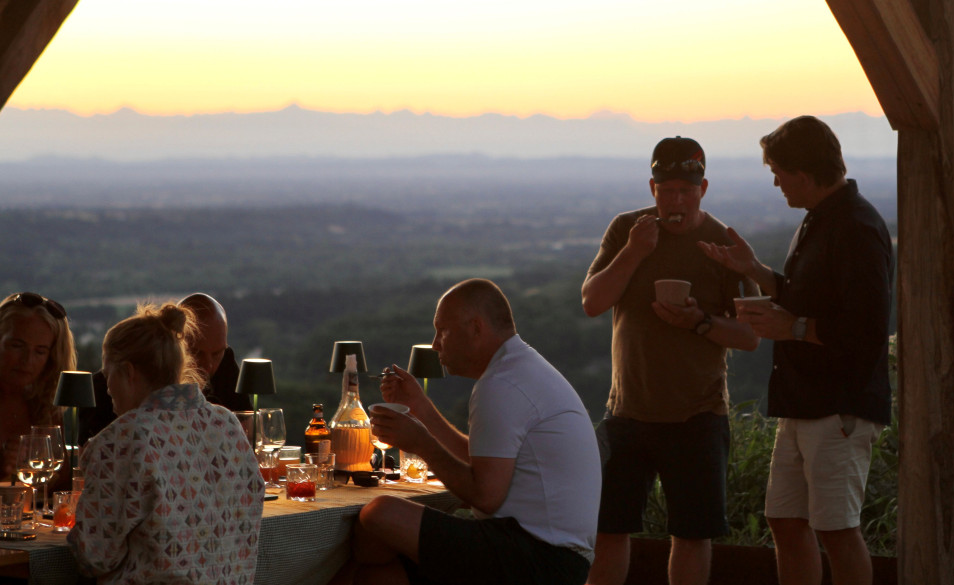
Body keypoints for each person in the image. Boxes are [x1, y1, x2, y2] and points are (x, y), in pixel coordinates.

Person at [699, 116, 893, 585]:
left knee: (837, 531)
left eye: (778, 173)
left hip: (838, 407)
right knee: (785, 521)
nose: (776, 183)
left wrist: (794, 328)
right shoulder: (820, 221)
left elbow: (866, 332)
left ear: (803, 175)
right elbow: (802, 296)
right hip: (803, 403)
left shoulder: (856, 227)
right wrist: (756, 271)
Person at [582, 137, 759, 585]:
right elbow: (592, 301)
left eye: (686, 189)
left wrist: (699, 322)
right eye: (667, 190)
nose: (676, 200)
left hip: (697, 415)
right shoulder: (627, 231)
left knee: (692, 536)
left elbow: (751, 335)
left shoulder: (721, 244)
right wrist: (635, 251)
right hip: (626, 413)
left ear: (703, 189)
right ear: (652, 187)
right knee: (608, 530)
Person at [348, 278, 601, 585]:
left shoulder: (502, 384)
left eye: (443, 330)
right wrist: (421, 410)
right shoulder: (518, 369)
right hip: (552, 557)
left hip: (538, 559)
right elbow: (482, 462)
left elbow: (486, 495)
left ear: (476, 328)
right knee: (380, 570)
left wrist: (422, 443)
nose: (435, 343)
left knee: (379, 514)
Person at [69, 302, 265, 584]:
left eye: (107, 372)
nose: (108, 386)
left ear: (129, 371)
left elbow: (95, 557)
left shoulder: (121, 440)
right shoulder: (228, 425)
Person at [79, 292, 249, 445]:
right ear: (175, 346)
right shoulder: (108, 386)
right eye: (197, 353)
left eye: (217, 354)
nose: (209, 365)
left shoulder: (225, 366)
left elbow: (247, 428)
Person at [0, 292, 77, 483]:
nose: (27, 360)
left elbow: (61, 483)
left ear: (51, 358)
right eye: (17, 345)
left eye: (40, 351)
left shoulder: (45, 407)